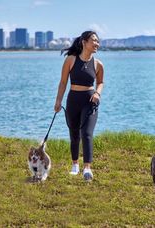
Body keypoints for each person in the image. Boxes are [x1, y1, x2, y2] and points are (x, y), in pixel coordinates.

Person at [54, 31, 104, 181]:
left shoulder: (98, 64)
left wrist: (98, 93)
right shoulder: (71, 60)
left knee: (87, 133)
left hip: (90, 101)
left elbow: (100, 82)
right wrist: (58, 101)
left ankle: (87, 168)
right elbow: (63, 82)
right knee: (74, 134)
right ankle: (75, 164)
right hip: (73, 100)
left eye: (97, 41)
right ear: (84, 42)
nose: (97, 44)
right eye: (93, 41)